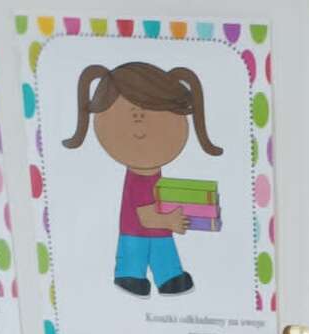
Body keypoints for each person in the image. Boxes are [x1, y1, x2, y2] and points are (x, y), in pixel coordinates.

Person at [62, 61, 223, 298]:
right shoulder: (137, 179)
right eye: (132, 114)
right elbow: (145, 216)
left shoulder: (154, 175)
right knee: (134, 257)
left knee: (163, 250)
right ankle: (132, 275)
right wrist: (170, 221)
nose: (140, 122)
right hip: (135, 231)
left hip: (158, 231)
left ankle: (168, 276)